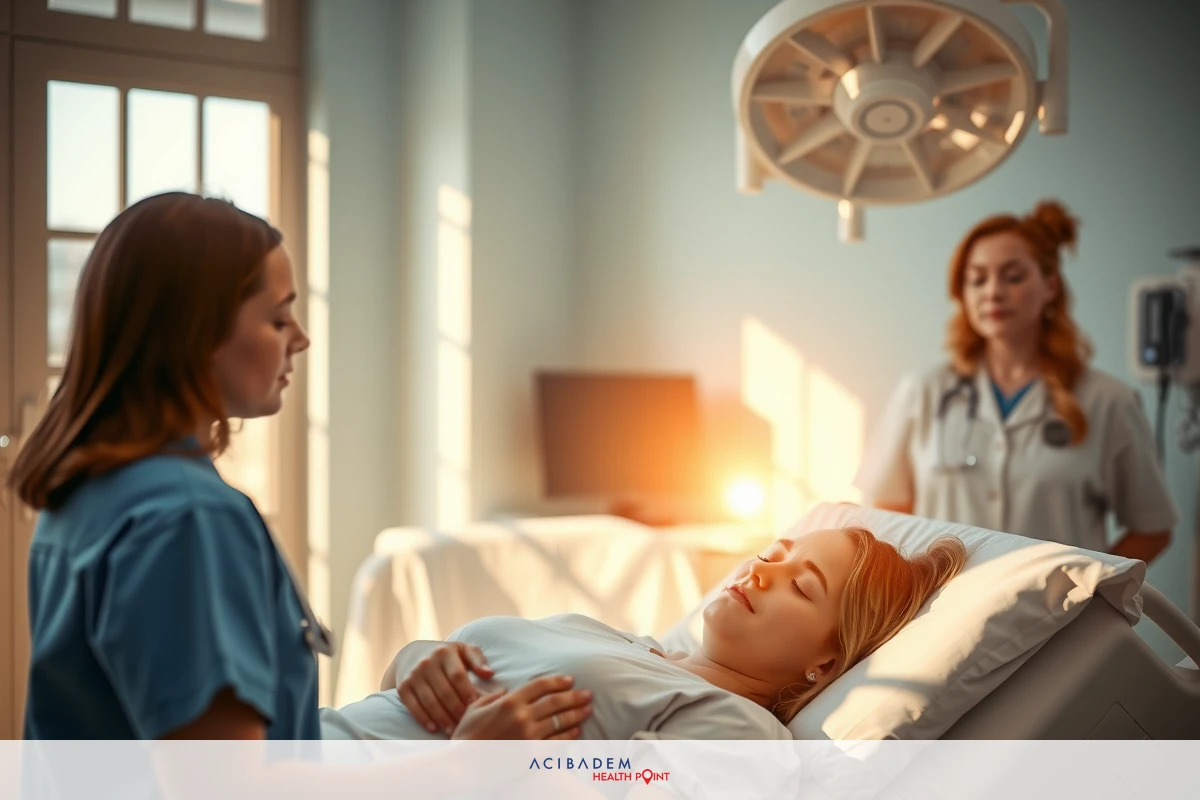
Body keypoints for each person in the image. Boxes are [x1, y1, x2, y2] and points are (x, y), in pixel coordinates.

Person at [9, 192, 592, 741]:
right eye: (279, 318)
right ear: (196, 334)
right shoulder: (187, 519)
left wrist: (403, 668)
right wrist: (467, 770)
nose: (303, 339)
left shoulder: (90, 494)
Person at [317, 526, 967, 739]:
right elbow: (408, 685)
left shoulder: (734, 729)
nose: (764, 572)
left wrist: (482, 771)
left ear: (823, 667)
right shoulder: (625, 643)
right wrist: (415, 660)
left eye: (802, 585)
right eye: (774, 554)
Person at [854, 200, 1177, 563]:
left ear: (1050, 285)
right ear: (963, 293)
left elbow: (1153, 529)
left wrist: (1090, 597)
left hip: (1062, 620)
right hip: (942, 613)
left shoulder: (1108, 400)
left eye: (1013, 276)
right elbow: (888, 511)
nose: (993, 291)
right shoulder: (924, 392)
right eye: (977, 279)